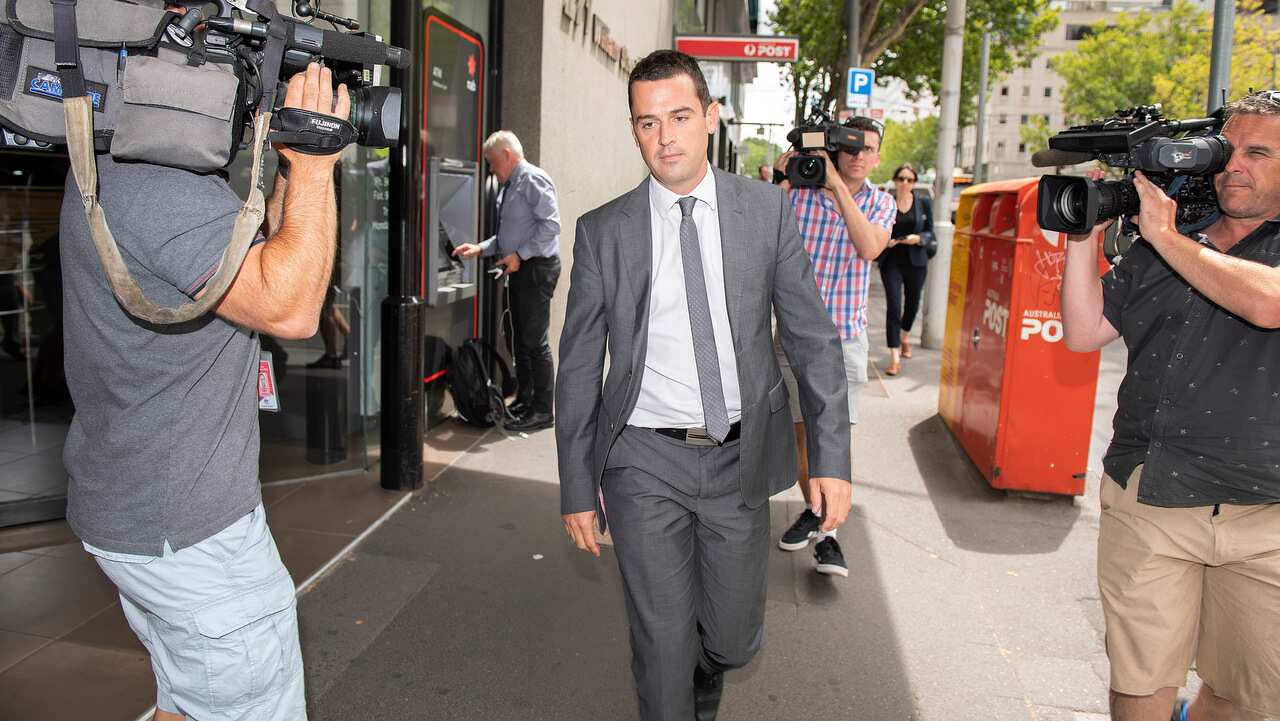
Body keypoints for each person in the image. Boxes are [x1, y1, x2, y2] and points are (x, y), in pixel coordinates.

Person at [556, 50, 852, 721]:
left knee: (731, 638)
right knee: (660, 644)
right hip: (642, 459)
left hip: (738, 456)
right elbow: (578, 367)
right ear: (634, 131)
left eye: (680, 116)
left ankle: (710, 663)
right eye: (647, 122)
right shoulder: (604, 233)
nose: (665, 137)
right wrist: (577, 484)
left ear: (711, 119)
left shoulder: (765, 213)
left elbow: (812, 339)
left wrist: (830, 458)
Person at [61, 62, 347, 721]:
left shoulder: (116, 171)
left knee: (189, 701)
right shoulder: (163, 191)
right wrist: (314, 164)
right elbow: (292, 308)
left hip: (146, 517)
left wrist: (288, 163)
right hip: (194, 542)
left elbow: (273, 252)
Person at [1060, 90, 1280, 721]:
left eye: (1258, 153)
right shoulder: (1165, 241)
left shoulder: (1169, 238)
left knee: (1243, 700)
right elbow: (1083, 332)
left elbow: (1266, 304)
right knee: (1138, 689)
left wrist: (1166, 235)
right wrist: (1081, 241)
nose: (1233, 165)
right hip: (1149, 494)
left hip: (1264, 512)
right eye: (1226, 149)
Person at [770, 116, 895, 576]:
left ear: (877, 157)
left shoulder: (881, 204)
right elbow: (759, 234)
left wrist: (838, 188)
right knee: (802, 435)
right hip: (792, 337)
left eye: (868, 149)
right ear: (837, 150)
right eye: (851, 147)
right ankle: (814, 508)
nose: (859, 155)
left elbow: (869, 248)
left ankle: (829, 536)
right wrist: (784, 180)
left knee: (833, 439)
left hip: (842, 339)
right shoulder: (798, 196)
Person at [453, 130, 562, 432]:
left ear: (507, 156)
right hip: (521, 268)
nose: (490, 169)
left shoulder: (532, 179)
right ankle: (526, 401)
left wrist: (520, 256)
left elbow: (552, 225)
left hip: (536, 269)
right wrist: (481, 248)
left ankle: (542, 410)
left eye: (491, 162)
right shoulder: (511, 184)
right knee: (520, 341)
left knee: (533, 342)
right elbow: (508, 236)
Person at [878, 163, 934, 376]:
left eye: (909, 179)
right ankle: (894, 357)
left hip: (916, 261)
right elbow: (877, 227)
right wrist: (886, 241)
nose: (904, 183)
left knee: (912, 305)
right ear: (894, 180)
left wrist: (918, 238)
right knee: (894, 306)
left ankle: (904, 337)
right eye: (901, 178)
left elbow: (931, 232)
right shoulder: (887, 202)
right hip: (891, 261)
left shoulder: (923, 203)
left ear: (914, 183)